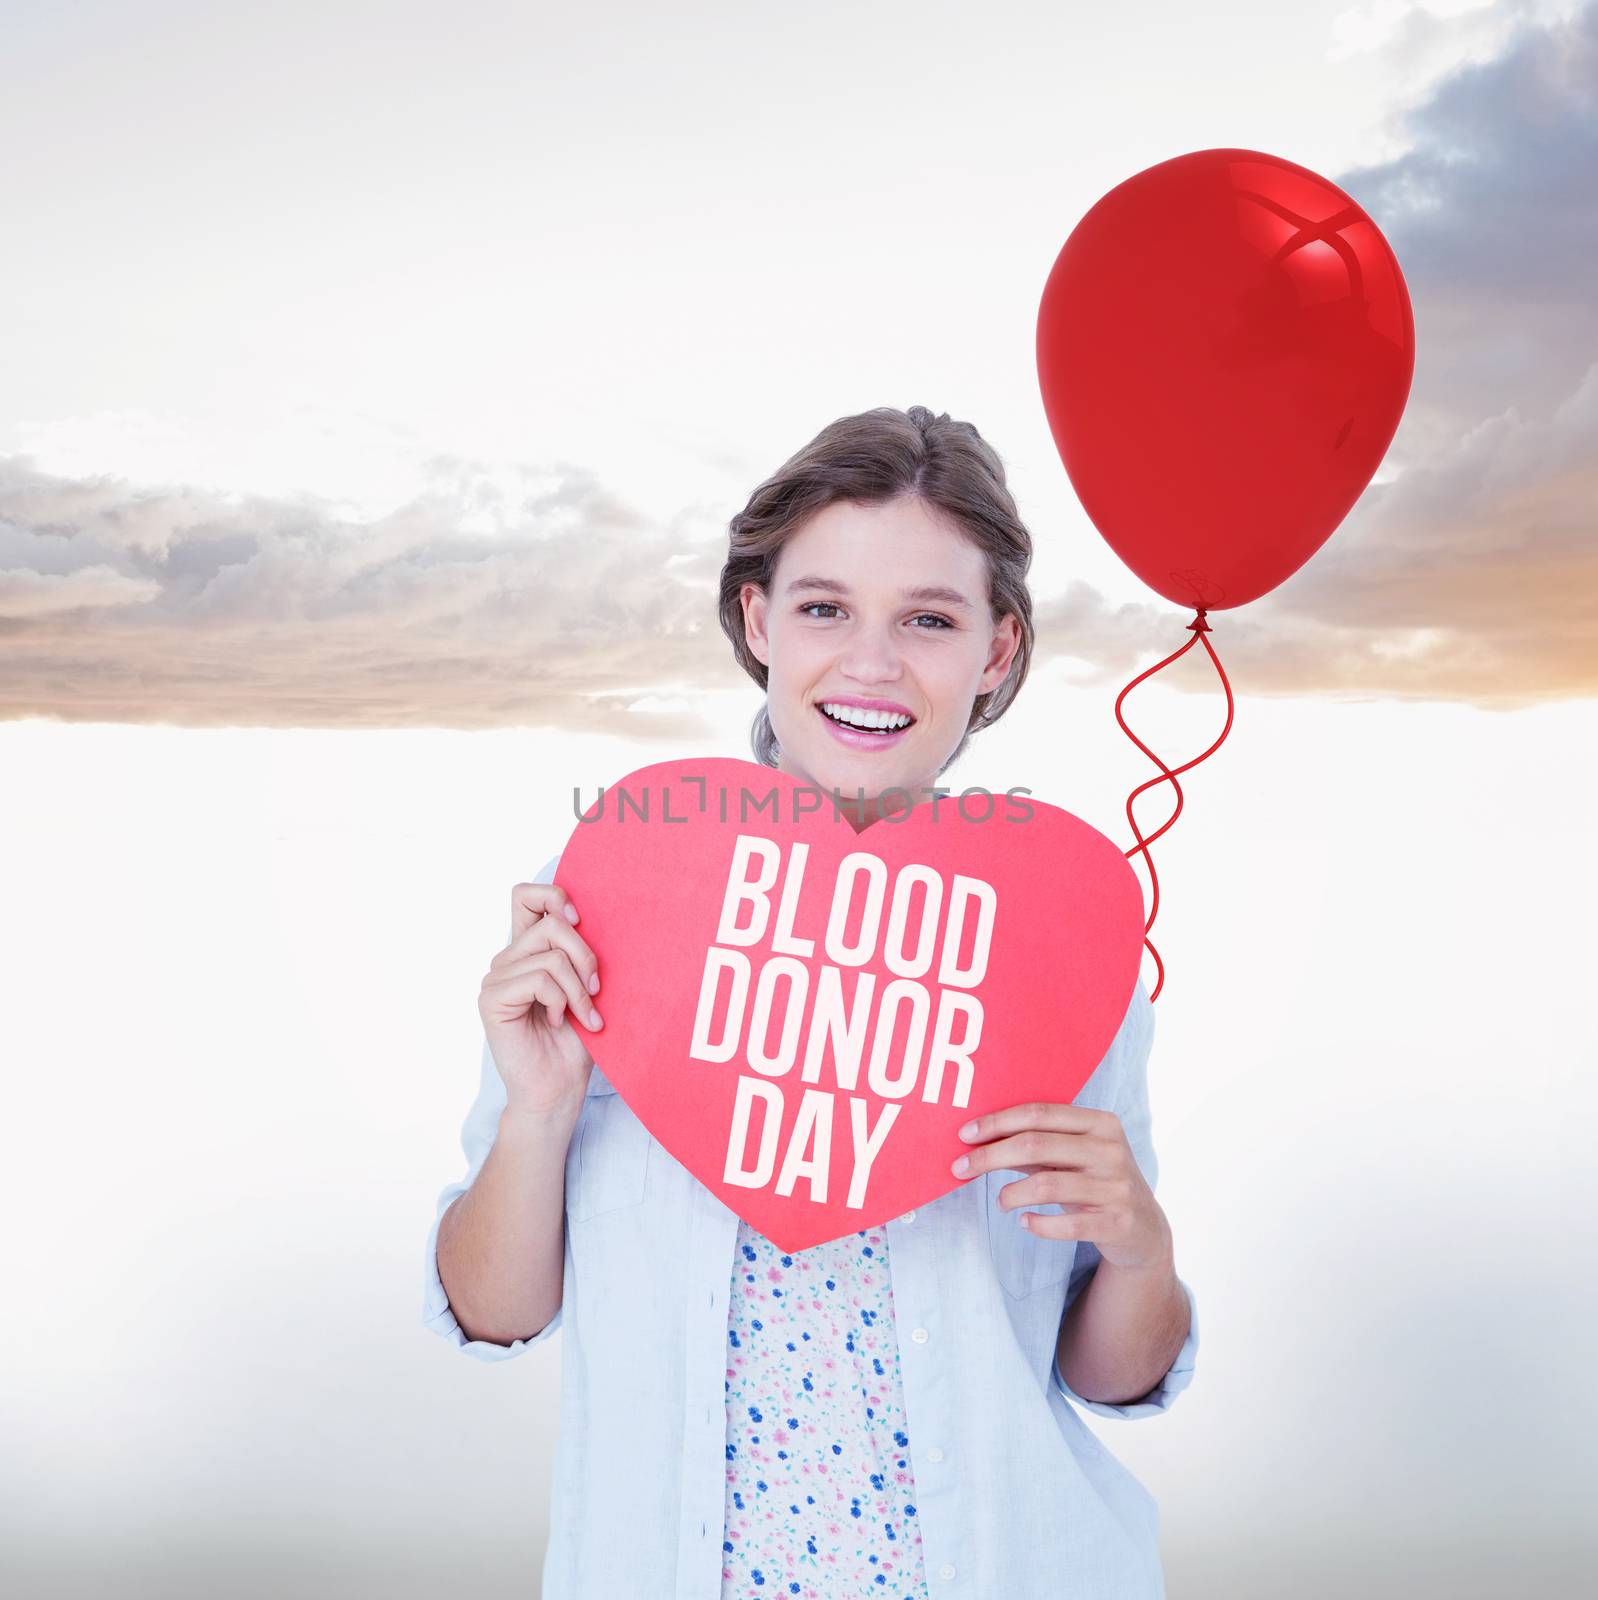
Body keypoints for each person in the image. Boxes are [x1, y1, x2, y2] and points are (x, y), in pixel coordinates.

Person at [423, 405, 1199, 1599]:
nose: (872, 664)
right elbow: (494, 1311)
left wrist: (1140, 1247)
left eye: (929, 621)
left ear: (995, 652)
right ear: (757, 620)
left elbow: (1107, 1374)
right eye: (824, 607)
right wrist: (537, 1113)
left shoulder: (1054, 937)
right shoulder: (618, 895)